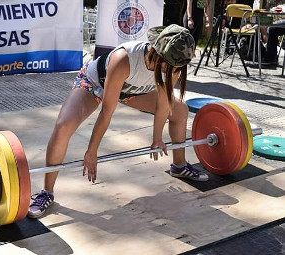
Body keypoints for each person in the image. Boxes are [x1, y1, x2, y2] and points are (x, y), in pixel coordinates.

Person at [27, 24, 209, 219]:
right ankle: (47, 192)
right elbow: (106, 111)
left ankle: (179, 166)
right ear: (158, 52)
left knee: (180, 110)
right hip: (95, 82)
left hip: (128, 91)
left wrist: (157, 138)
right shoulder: (124, 59)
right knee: (63, 125)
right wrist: (92, 151)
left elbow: (164, 105)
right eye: (170, 64)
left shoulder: (174, 64)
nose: (174, 69)